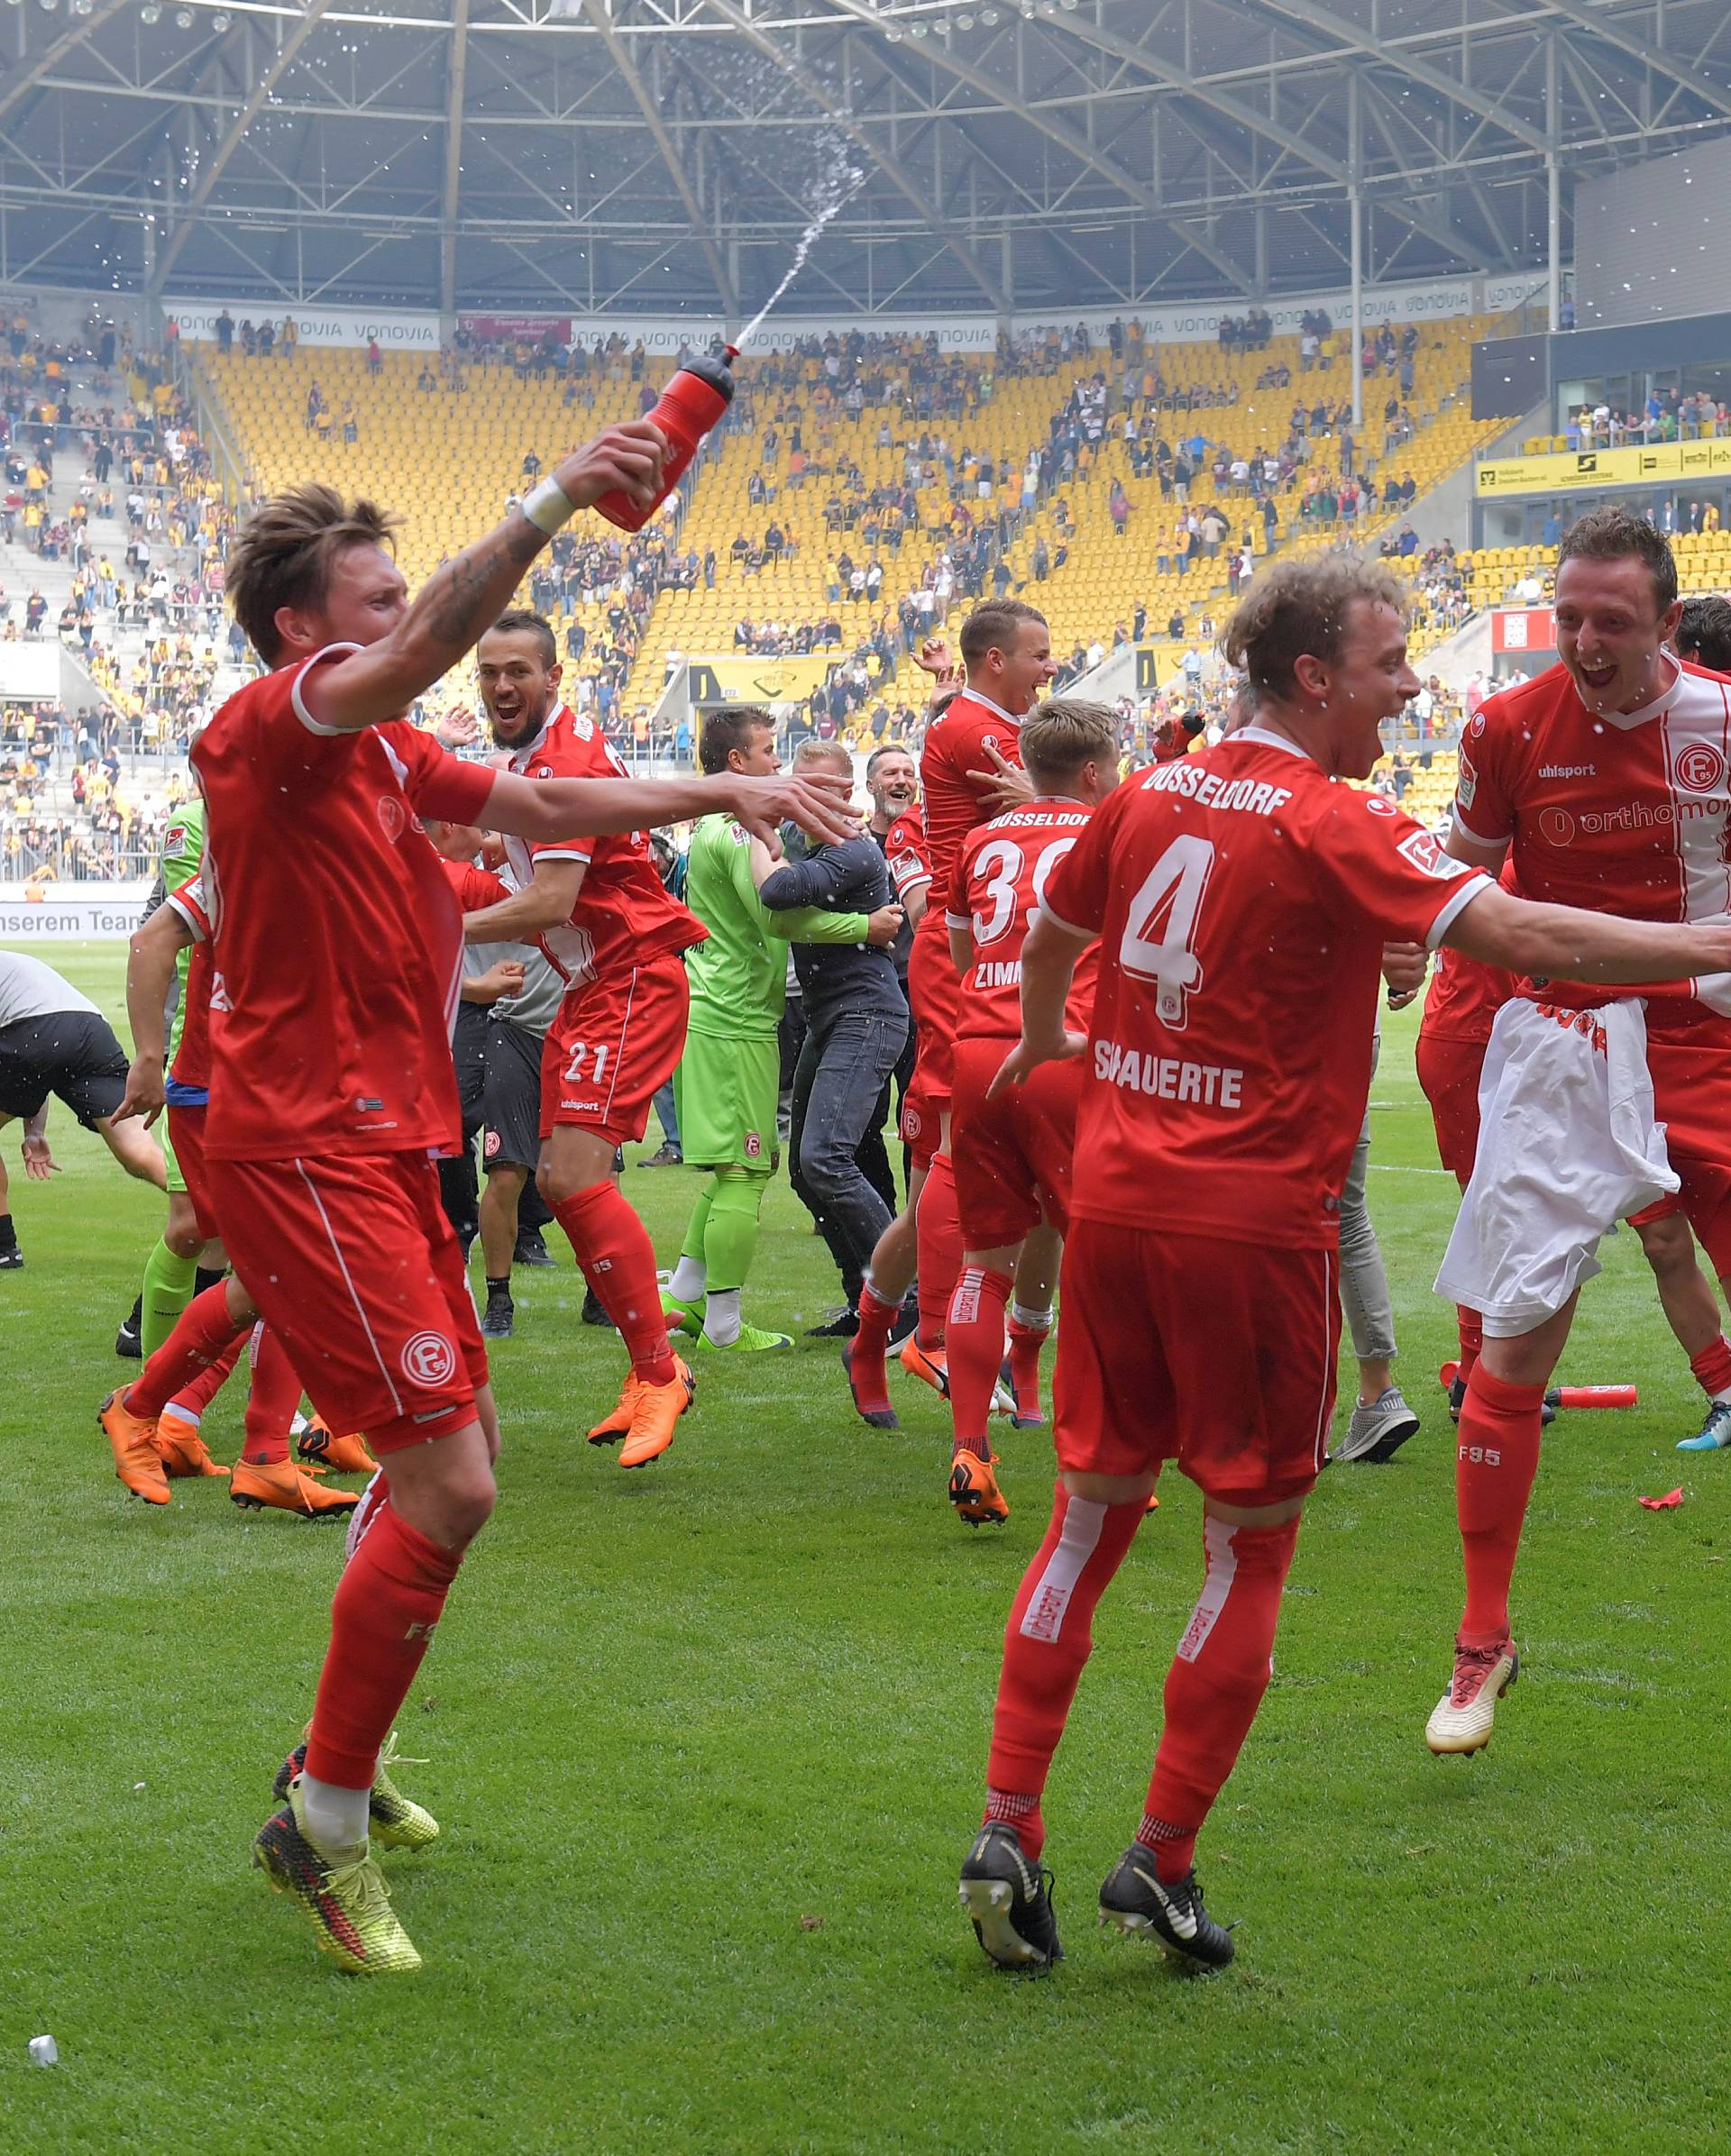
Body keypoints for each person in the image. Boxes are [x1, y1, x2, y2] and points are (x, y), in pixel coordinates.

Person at [107, 442, 852, 1978]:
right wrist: (561, 495)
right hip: (306, 1147)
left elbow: (551, 793)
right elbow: (438, 643)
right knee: (452, 1480)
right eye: (376, 602)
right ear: (309, 633)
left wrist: (724, 780)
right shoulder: (278, 722)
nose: (410, 629)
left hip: (378, 1142)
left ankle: (338, 1755)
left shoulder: (378, 754)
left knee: (456, 1455)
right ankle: (317, 1820)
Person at [956, 553, 1731, 1975]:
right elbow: (1525, 931)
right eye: (1387, 667)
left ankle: (1007, 1826)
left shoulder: (1148, 792)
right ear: (1313, 677)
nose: (1408, 688)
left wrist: (1052, 1040)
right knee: (1247, 1543)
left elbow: (1062, 923)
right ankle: (1164, 1862)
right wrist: (1710, 941)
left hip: (1118, 1205)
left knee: (1085, 1519)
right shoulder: (1331, 817)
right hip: (1251, 1228)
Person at [1432, 505, 1731, 1755]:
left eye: (1612, 621)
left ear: (1666, 621)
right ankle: (1481, 1642)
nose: (1587, 642)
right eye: (1569, 619)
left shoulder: (1722, 719)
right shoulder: (1506, 728)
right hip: (1564, 1050)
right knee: (1511, 1355)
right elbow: (1459, 874)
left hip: (1712, 1042)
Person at [454, 610, 712, 1469]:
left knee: (572, 1178)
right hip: (594, 985)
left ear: (553, 676)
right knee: (565, 1189)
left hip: (629, 972)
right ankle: (651, 1368)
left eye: (518, 670)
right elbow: (523, 860)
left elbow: (550, 903)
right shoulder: (540, 755)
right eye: (489, 671)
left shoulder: (560, 761)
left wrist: (431, 923)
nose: (500, 686)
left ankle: (658, 1371)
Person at [846, 610, 1051, 1422]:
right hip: (969, 956)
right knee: (955, 1164)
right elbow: (1067, 795)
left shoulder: (979, 720)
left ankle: (893, 1342)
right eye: (1039, 656)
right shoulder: (979, 734)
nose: (1052, 667)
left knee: (1029, 1178)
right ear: (999, 660)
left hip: (1013, 952)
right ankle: (928, 1333)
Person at [942, 699, 1119, 1526]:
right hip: (1063, 1054)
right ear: (1093, 772)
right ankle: (1103, 1456)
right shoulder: (1109, 833)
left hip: (977, 1056)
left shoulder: (981, 841)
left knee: (984, 1265)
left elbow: (963, 953)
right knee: (1101, 1264)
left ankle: (971, 1450)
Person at [664, 708, 886, 1354]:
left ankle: (684, 1292)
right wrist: (862, 927)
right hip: (732, 1018)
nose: (777, 767)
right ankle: (726, 1327)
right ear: (737, 762)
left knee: (734, 1167)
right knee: (746, 1171)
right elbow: (779, 915)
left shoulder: (716, 825)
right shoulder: (737, 832)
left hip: (724, 1012)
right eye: (769, 753)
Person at [757, 741, 908, 1323]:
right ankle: (864, 1299)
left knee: (825, 1159)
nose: (799, 796)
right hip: (834, 1018)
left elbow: (775, 894)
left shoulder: (854, 851)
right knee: (806, 1168)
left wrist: (760, 839)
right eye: (795, 784)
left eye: (814, 786)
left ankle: (904, 1298)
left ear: (846, 794)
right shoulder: (816, 844)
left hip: (866, 1015)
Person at [0, 949, 165, 1269]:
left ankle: (4, 1248)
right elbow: (42, 1056)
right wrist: (34, 1133)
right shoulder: (16, 966)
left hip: (34, 1031)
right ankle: (228, 1229)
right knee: (139, 1153)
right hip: (91, 1032)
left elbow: (31, 1046)